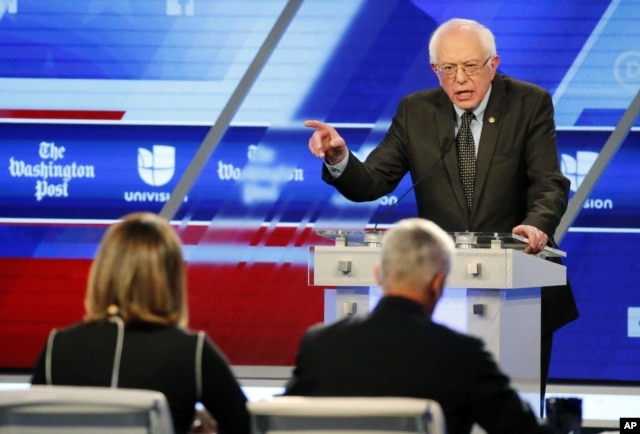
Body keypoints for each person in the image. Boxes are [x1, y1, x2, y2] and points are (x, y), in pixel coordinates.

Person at [304, 17, 578, 399]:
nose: (460, 79)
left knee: (512, 410)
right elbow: (372, 182)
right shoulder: (416, 111)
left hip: (519, 289)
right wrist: (339, 157)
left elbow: (549, 182)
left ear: (493, 65)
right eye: (448, 69)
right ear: (435, 70)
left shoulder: (528, 103)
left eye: (470, 66)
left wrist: (536, 225)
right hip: (443, 291)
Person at [284, 218, 556, 434]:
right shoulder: (463, 356)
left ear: (378, 276)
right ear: (438, 283)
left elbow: (278, 421)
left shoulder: (319, 346)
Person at [31, 212, 251, 434]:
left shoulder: (57, 348)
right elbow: (250, 427)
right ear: (171, 278)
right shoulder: (193, 352)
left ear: (103, 272)